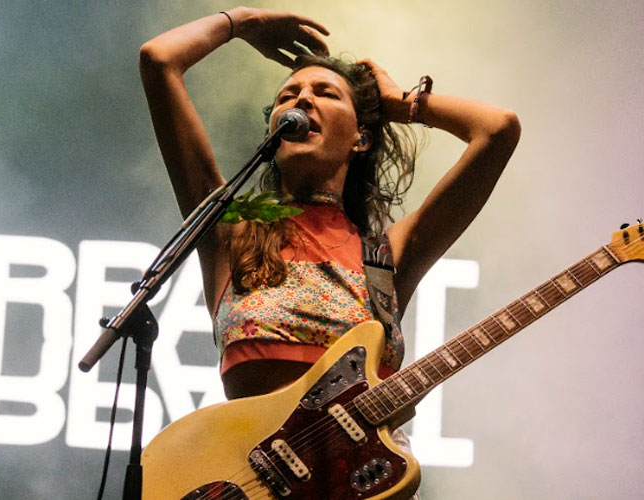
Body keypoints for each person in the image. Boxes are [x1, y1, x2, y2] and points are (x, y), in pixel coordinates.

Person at [139, 6, 519, 496]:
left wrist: (401, 104)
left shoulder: (384, 255)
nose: (302, 100)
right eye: (288, 96)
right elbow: (159, 60)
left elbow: (498, 130)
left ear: (360, 136)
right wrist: (243, 23)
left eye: (325, 93)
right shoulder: (230, 232)